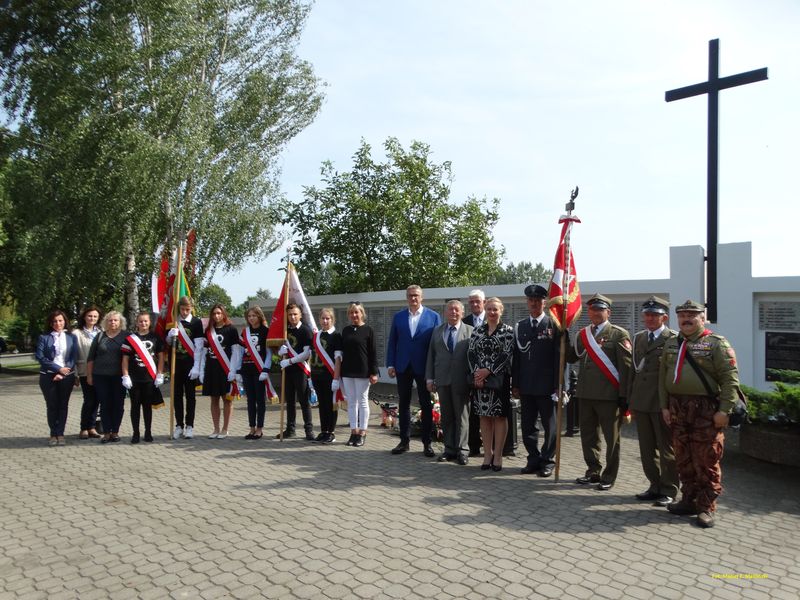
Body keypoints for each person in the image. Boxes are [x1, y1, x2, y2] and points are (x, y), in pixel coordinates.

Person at [659, 299, 740, 529]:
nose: (686, 319)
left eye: (691, 315)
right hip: (677, 408)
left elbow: (730, 380)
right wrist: (665, 406)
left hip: (705, 409)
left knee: (707, 458)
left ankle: (706, 507)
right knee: (683, 457)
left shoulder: (716, 344)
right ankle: (688, 500)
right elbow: (662, 377)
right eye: (682, 315)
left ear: (702, 318)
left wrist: (724, 410)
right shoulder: (672, 343)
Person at [566, 294, 632, 490]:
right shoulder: (583, 334)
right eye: (592, 309)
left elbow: (626, 368)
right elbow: (571, 358)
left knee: (612, 439)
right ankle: (593, 470)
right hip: (585, 394)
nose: (595, 313)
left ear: (608, 312)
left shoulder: (618, 334)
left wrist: (624, 396)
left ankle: (609, 476)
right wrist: (562, 338)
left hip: (609, 396)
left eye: (600, 309)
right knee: (588, 436)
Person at [628, 296, 679, 507]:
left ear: (664, 317)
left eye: (654, 315)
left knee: (667, 450)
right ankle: (654, 485)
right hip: (641, 402)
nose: (649, 318)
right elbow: (634, 371)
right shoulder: (639, 338)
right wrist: (630, 400)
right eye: (647, 315)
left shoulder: (674, 339)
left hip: (661, 404)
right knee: (647, 449)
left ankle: (669, 489)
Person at [512, 284, 562, 477]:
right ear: (527, 302)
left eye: (538, 300)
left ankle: (548, 461)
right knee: (527, 427)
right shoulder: (521, 326)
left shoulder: (554, 325)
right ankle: (533, 459)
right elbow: (517, 358)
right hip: (526, 386)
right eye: (530, 300)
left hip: (548, 387)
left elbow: (560, 359)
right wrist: (515, 383)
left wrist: (560, 386)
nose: (533, 303)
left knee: (550, 427)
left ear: (545, 302)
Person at [387, 285, 442, 456]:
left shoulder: (433, 317)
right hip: (403, 366)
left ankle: (427, 443)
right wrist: (390, 364)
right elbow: (392, 341)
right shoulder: (399, 317)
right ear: (406, 297)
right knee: (403, 404)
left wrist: (434, 369)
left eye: (416, 295)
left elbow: (437, 345)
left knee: (426, 405)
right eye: (410, 296)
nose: (413, 298)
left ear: (422, 297)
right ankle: (404, 441)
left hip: (424, 367)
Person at [468, 297, 515, 472]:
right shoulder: (478, 331)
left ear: (501, 311)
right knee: (483, 416)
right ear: (485, 310)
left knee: (499, 417)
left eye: (495, 309)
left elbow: (506, 354)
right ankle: (487, 454)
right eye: (489, 309)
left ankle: (498, 456)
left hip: (499, 380)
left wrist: (488, 370)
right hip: (480, 381)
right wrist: (478, 375)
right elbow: (471, 353)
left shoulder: (508, 331)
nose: (492, 313)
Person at [426, 299, 473, 465]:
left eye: (456, 310)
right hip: (443, 380)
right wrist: (430, 378)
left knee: (462, 417)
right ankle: (449, 449)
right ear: (445, 313)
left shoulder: (470, 331)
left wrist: (472, 380)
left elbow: (474, 359)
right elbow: (431, 356)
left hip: (462, 381)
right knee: (446, 417)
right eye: (450, 310)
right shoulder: (437, 331)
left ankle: (463, 450)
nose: (453, 312)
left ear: (462, 312)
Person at [35, 310, 78, 446]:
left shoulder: (71, 337)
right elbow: (40, 357)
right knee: (52, 405)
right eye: (54, 321)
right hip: (48, 376)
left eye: (60, 320)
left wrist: (64, 372)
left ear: (65, 321)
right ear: (50, 323)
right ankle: (53, 433)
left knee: (63, 405)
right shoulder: (44, 337)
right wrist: (57, 369)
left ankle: (60, 433)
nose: (58, 323)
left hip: (67, 376)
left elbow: (73, 357)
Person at [121, 312, 165, 444]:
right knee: (135, 406)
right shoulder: (130, 339)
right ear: (137, 323)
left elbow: (161, 357)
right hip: (134, 378)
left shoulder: (155, 337)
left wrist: (160, 374)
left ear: (150, 322)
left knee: (147, 406)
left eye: (146, 321)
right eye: (140, 321)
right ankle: (135, 433)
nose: (143, 324)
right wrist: (125, 375)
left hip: (149, 378)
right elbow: (125, 359)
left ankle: (148, 432)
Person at [200, 303, 242, 439]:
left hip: (226, 369)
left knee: (227, 399)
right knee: (214, 399)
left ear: (224, 314)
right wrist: (201, 370)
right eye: (214, 313)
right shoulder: (208, 331)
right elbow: (204, 352)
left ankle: (225, 429)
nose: (216, 316)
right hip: (212, 369)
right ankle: (216, 429)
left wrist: (234, 370)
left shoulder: (231, 329)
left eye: (219, 313)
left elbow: (236, 352)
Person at [340, 302, 379, 447]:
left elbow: (373, 353)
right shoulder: (345, 331)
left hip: (363, 371)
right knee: (351, 402)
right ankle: (353, 432)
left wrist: (374, 372)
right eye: (351, 313)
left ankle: (363, 432)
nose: (354, 315)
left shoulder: (368, 330)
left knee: (362, 402)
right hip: (348, 371)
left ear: (362, 313)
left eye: (357, 312)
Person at [87, 310, 129, 443]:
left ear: (120, 322)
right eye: (110, 320)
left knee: (118, 404)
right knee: (104, 405)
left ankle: (115, 432)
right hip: (101, 376)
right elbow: (91, 358)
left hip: (119, 377)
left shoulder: (126, 336)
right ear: (106, 322)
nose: (113, 322)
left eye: (115, 320)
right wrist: (89, 376)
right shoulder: (100, 336)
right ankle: (106, 432)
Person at [167, 296, 204, 440]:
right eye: (182, 309)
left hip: (190, 363)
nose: (184, 312)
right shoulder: (173, 321)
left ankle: (190, 426)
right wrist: (170, 336)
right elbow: (167, 343)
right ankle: (178, 425)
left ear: (191, 308)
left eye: (187, 309)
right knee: (176, 395)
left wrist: (196, 367)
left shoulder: (196, 322)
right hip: (176, 363)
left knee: (190, 396)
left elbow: (199, 346)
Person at [276, 303, 315, 440]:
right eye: (290, 314)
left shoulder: (305, 330)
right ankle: (290, 429)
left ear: (300, 315)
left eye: (295, 314)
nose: (292, 317)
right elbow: (279, 350)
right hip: (288, 371)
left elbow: (306, 354)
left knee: (304, 401)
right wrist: (281, 352)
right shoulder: (285, 331)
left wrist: (290, 361)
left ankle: (309, 430)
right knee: (290, 401)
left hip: (300, 370)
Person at [310, 307, 344, 444]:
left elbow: (338, 359)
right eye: (322, 318)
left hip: (330, 376)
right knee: (322, 405)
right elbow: (311, 355)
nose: (325, 321)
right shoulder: (317, 336)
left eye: (327, 318)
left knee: (331, 405)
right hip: (317, 376)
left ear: (332, 319)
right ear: (319, 319)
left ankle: (331, 432)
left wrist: (336, 378)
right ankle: (323, 431)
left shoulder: (336, 336)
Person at [239, 306, 270, 440]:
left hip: (259, 370)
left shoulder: (266, 331)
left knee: (260, 400)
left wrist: (266, 369)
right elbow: (240, 352)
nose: (251, 318)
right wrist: (238, 371)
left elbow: (269, 353)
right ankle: (251, 428)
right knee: (250, 400)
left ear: (259, 316)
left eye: (254, 315)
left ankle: (259, 429)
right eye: (249, 316)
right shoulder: (244, 332)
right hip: (246, 369)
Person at [462, 289, 486, 457]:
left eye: (477, 301)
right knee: (472, 412)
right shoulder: (465, 321)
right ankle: (474, 446)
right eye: (471, 302)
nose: (474, 304)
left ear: (484, 302)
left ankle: (491, 447)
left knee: (489, 412)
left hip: (490, 374)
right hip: (471, 374)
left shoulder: (493, 318)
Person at [73, 305, 103, 439]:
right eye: (90, 316)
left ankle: (92, 427)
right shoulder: (76, 333)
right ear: (84, 317)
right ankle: (84, 428)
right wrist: (75, 374)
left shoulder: (101, 332)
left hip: (101, 372)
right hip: (84, 371)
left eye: (95, 316)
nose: (92, 318)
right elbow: (71, 355)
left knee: (96, 400)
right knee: (89, 400)